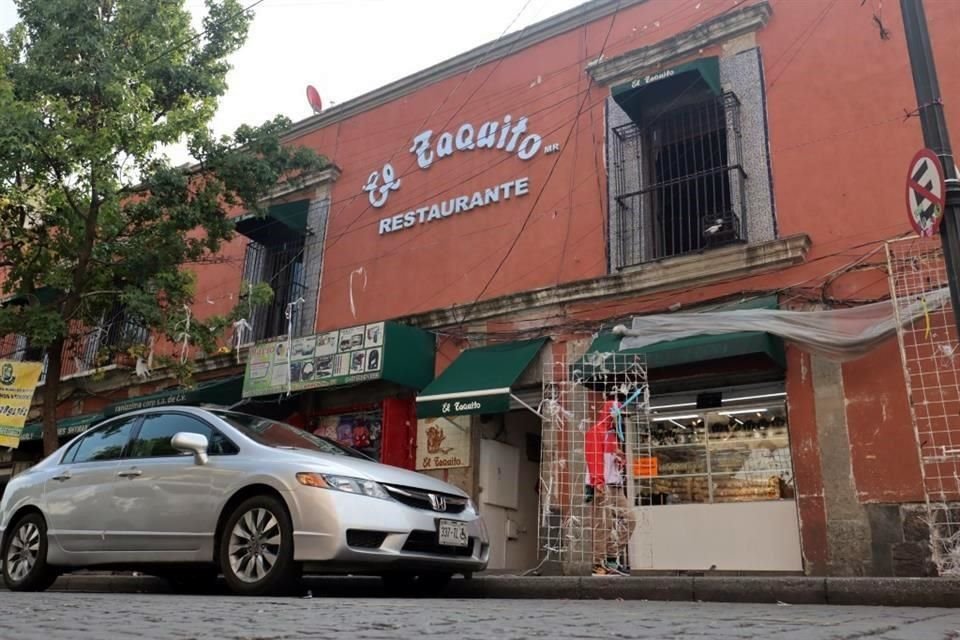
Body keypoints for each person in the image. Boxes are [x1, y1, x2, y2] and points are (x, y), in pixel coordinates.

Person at [585, 400, 636, 576]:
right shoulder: (595, 432)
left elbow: (610, 459)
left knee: (629, 519)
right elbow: (593, 459)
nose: (619, 416)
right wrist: (597, 481)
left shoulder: (613, 435)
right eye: (617, 412)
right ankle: (599, 563)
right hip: (602, 484)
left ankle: (612, 558)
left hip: (615, 485)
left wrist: (620, 458)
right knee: (603, 525)